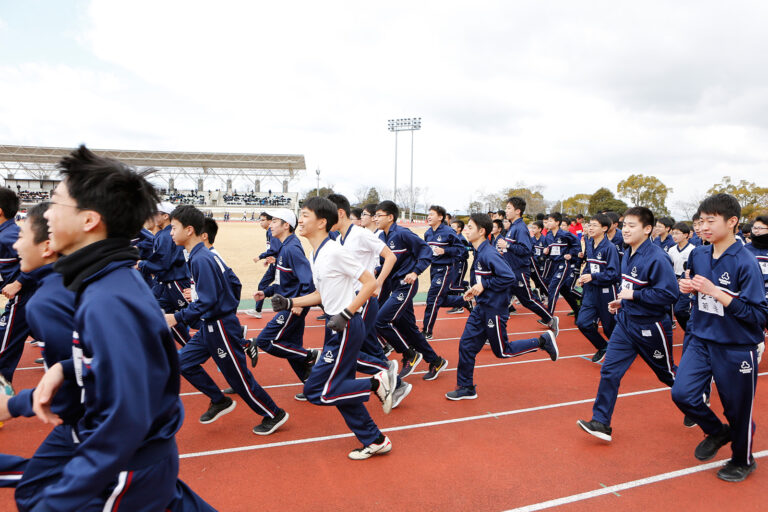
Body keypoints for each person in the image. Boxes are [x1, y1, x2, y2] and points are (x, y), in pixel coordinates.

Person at [31, 145, 201, 509]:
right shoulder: (109, 280)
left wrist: (56, 502)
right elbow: (127, 366)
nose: (46, 213)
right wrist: (66, 368)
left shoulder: (106, 299)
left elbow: (125, 420)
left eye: (55, 202)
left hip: (127, 471)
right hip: (145, 461)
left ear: (89, 220)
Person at [273, 196, 397, 459]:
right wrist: (289, 301)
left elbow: (370, 283)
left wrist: (346, 313)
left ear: (322, 222)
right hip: (335, 324)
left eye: (305, 215)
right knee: (340, 388)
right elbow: (321, 294)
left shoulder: (336, 251)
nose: (300, 219)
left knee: (316, 390)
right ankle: (375, 439)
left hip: (346, 326)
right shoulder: (315, 253)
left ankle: (376, 383)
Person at [671, 194, 768, 482]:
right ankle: (717, 431)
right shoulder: (699, 254)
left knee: (737, 409)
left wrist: (717, 293)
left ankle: (743, 459)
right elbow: (701, 293)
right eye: (701, 221)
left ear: (733, 222)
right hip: (700, 337)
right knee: (682, 393)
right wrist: (690, 288)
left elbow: (758, 315)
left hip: (737, 346)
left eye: (711, 221)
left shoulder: (745, 261)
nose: (704, 227)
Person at [577, 207, 679, 442]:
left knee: (667, 375)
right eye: (625, 226)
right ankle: (601, 422)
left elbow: (669, 294)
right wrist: (621, 302)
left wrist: (635, 297)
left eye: (632, 226)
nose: (626, 230)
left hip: (651, 325)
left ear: (647, 229)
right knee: (610, 371)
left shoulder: (656, 257)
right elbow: (631, 288)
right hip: (626, 322)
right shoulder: (628, 252)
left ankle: (696, 393)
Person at [447, 214, 559, 400]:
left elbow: (508, 277)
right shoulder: (480, 251)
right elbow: (485, 279)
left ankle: (542, 341)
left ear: (481, 231)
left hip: (494, 311)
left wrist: (484, 285)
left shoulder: (489, 253)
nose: (465, 229)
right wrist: (475, 290)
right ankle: (466, 387)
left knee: (503, 351)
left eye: (470, 226)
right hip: (481, 307)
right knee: (466, 345)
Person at [320, 194, 411, 408]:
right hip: (351, 300)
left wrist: (377, 283)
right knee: (368, 345)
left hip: (365, 299)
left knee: (352, 346)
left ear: (339, 213)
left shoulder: (360, 234)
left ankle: (384, 378)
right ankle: (395, 383)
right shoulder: (340, 239)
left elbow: (391, 256)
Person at [374, 200, 449, 380]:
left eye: (379, 215)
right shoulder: (381, 238)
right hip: (393, 285)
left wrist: (415, 272)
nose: (376, 219)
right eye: (374, 215)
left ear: (390, 217)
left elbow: (426, 251)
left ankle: (409, 354)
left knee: (380, 321)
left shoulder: (403, 234)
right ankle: (436, 360)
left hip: (406, 284)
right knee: (407, 327)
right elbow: (385, 264)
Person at [246, 209, 318, 383]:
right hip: (289, 303)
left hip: (293, 306)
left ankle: (311, 355)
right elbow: (283, 282)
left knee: (264, 341)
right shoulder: (284, 248)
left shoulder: (292, 249)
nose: (270, 225)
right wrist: (266, 292)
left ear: (286, 225)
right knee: (291, 346)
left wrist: (299, 304)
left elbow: (308, 281)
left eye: (275, 221)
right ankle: (313, 385)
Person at [496, 197, 558, 332]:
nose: (506, 211)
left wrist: (507, 245)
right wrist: (504, 251)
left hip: (519, 271)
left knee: (527, 299)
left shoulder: (520, 228)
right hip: (509, 270)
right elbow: (513, 247)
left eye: (508, 208)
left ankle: (549, 318)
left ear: (517, 211)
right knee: (500, 301)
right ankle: (494, 332)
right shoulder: (512, 227)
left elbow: (526, 250)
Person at [137, 201, 192, 346]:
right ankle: (189, 346)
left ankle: (238, 339)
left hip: (176, 283)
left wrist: (141, 265)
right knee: (159, 315)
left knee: (199, 316)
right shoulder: (161, 234)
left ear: (165, 216)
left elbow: (162, 262)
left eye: (153, 214)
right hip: (165, 284)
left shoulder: (166, 235)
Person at [0, 187, 35, 383]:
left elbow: (43, 258)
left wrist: (19, 283)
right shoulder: (6, 234)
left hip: (23, 299)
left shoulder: (9, 235)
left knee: (4, 349)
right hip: (26, 299)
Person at [575, 213, 620, 363]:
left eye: (594, 225)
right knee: (582, 322)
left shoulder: (610, 248)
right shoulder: (589, 243)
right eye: (589, 225)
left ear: (605, 228)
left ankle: (622, 351)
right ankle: (602, 346)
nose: (590, 228)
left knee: (609, 327)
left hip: (606, 292)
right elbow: (589, 265)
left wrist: (593, 277)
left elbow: (613, 274)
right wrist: (584, 276)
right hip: (590, 291)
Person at [422, 205, 466, 339]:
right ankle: (463, 301)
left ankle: (427, 331)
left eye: (432, 214)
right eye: (428, 214)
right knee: (439, 299)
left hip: (445, 269)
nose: (428, 216)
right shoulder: (428, 233)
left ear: (440, 217)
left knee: (432, 299)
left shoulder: (448, 232)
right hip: (433, 269)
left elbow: (461, 250)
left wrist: (445, 251)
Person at [543, 212, 581, 318]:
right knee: (565, 290)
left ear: (557, 222)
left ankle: (548, 316)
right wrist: (546, 251)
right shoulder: (548, 236)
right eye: (547, 221)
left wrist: (571, 254)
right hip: (553, 265)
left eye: (550, 221)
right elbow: (549, 249)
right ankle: (578, 310)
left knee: (553, 288)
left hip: (563, 264)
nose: (548, 223)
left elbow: (577, 245)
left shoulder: (565, 234)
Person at [245, 212, 279, 318]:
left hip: (278, 263)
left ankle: (258, 310)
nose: (261, 222)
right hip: (275, 262)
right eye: (260, 220)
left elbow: (275, 248)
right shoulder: (268, 232)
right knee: (268, 285)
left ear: (270, 221)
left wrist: (261, 256)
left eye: (263, 220)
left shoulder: (270, 232)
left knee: (263, 285)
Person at [667, 222, 696, 331]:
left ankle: (691, 331)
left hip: (686, 283)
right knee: (674, 309)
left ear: (686, 235)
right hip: (674, 281)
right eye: (673, 233)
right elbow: (669, 267)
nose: (674, 236)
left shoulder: (693, 249)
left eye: (677, 233)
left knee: (680, 310)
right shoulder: (672, 250)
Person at [745, 215, 768, 300]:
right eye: (754, 228)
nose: (756, 231)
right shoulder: (745, 249)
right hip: (751, 297)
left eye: (760, 228)